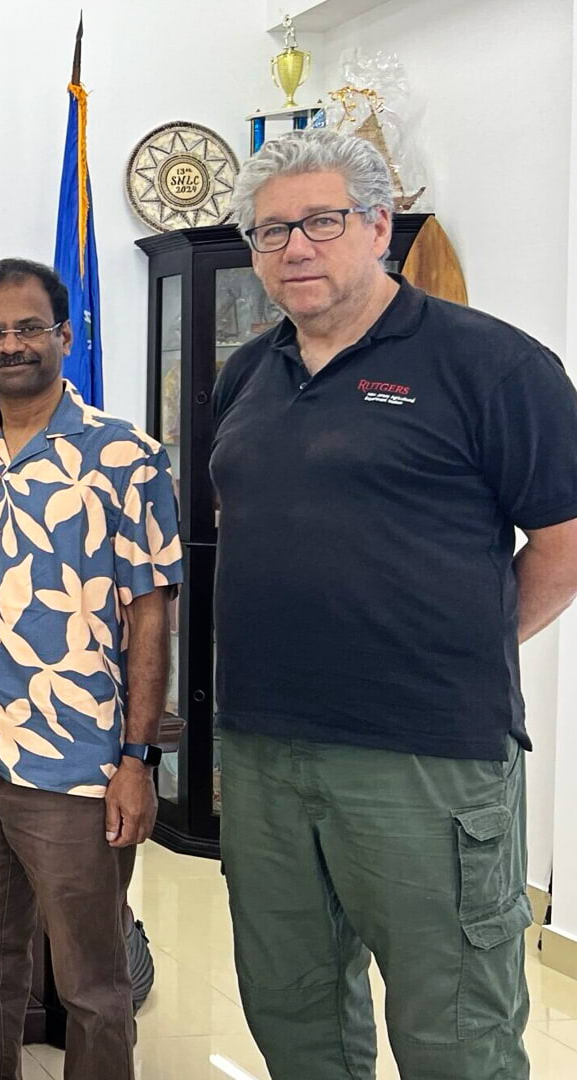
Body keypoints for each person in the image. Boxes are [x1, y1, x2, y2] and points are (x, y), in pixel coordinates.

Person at [212, 130, 577, 1080]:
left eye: (321, 222)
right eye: (270, 232)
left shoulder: (491, 365)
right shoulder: (246, 376)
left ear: (380, 225)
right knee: (292, 1013)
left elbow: (565, 543)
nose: (293, 248)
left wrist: (463, 645)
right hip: (264, 753)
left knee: (452, 1028)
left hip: (427, 758)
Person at [0, 258, 183, 1080]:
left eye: (29, 327)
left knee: (92, 980)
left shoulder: (127, 456)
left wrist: (137, 760)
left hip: (80, 764)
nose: (12, 344)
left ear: (65, 336)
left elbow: (150, 613)